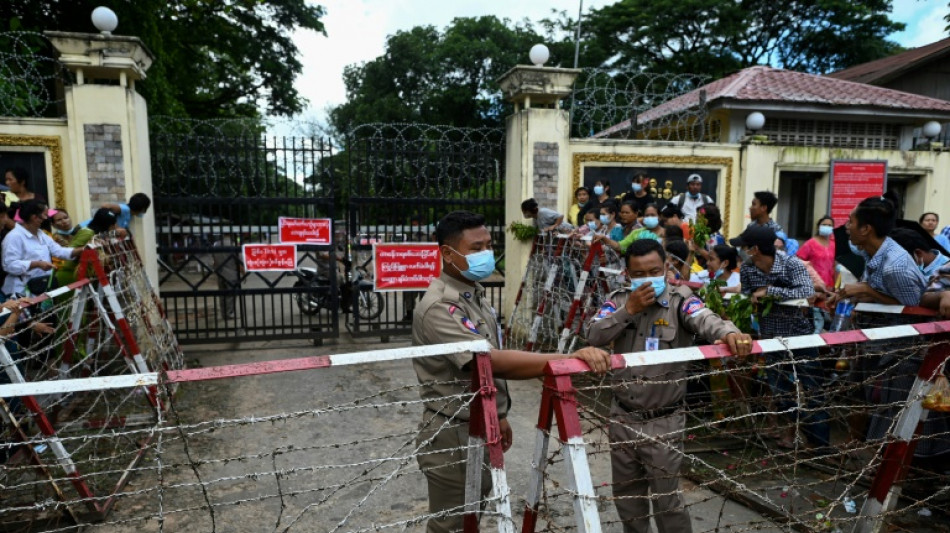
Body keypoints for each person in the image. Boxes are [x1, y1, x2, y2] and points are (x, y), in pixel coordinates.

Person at [412, 210, 611, 533]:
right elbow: (490, 361)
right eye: (476, 248)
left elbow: (486, 370)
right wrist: (565, 358)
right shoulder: (441, 306)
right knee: (452, 525)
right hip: (454, 433)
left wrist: (499, 413)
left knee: (471, 517)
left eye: (489, 245)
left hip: (478, 422)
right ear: (448, 253)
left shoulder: (472, 295)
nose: (486, 253)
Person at [586, 238, 752, 533]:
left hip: (663, 419)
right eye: (638, 274)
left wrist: (731, 333)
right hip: (622, 416)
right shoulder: (619, 300)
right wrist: (629, 310)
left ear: (666, 268)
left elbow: (706, 318)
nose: (646, 278)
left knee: (667, 502)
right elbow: (594, 335)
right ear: (627, 274)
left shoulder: (680, 300)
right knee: (628, 500)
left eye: (653, 270)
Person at [829, 196, 935, 454]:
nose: (846, 226)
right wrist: (852, 294)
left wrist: (867, 290)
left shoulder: (895, 266)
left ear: (867, 229)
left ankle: (888, 465)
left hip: (898, 347)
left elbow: (913, 306)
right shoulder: (872, 253)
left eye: (851, 221)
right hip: (875, 339)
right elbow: (884, 295)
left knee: (890, 404)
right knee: (864, 395)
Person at [731, 225, 830, 450]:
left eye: (744, 247)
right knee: (780, 388)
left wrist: (771, 292)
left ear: (755, 249)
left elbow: (807, 291)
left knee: (812, 386)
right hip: (770, 335)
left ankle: (820, 442)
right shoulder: (747, 268)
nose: (742, 251)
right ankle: (792, 434)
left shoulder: (791, 264)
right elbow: (748, 292)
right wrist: (751, 299)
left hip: (799, 334)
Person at [2, 200, 82, 297]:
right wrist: (37, 264)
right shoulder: (14, 237)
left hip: (42, 288)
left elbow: (59, 251)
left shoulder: (41, 234)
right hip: (21, 292)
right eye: (44, 215)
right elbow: (9, 265)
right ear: (34, 217)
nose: (46, 218)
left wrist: (82, 250)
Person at [54, 208, 127, 287]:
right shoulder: (87, 233)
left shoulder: (96, 233)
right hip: (70, 276)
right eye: (113, 225)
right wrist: (89, 247)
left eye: (65, 217)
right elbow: (69, 252)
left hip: (81, 275)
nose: (115, 227)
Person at [796, 216, 836, 289]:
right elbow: (798, 262)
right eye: (824, 225)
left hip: (830, 286)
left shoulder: (834, 244)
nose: (827, 227)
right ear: (818, 227)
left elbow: (834, 266)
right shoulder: (810, 244)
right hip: (814, 285)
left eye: (830, 225)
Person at [212, 235, 244, 320]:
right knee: (231, 295)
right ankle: (229, 313)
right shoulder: (233, 245)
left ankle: (223, 314)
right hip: (232, 274)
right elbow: (239, 262)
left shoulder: (216, 245)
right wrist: (244, 274)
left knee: (222, 295)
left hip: (221, 273)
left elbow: (214, 261)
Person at [82, 192, 151, 231]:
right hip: (86, 228)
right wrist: (116, 227)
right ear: (142, 209)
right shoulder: (125, 209)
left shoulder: (129, 214)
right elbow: (104, 206)